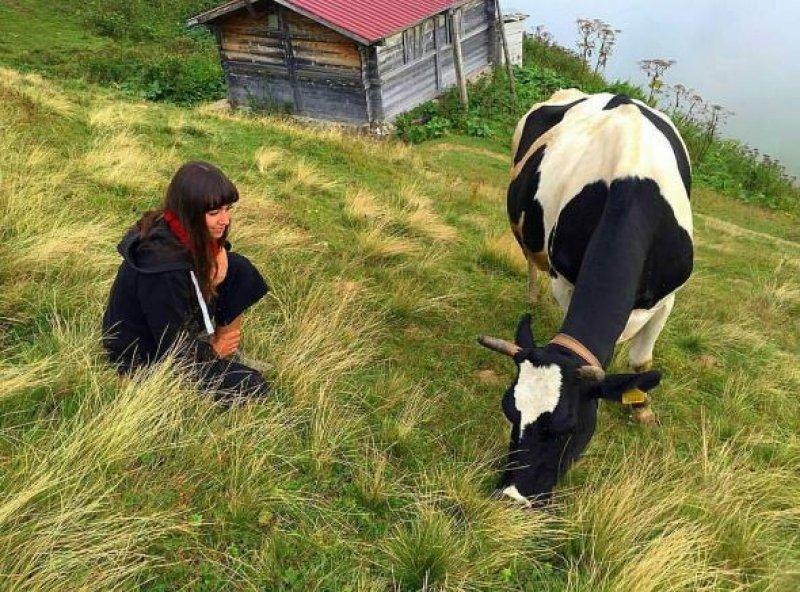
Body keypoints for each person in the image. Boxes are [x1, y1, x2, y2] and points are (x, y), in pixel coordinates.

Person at [102, 161, 270, 402]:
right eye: (214, 213)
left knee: (238, 268)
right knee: (253, 386)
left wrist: (219, 252)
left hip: (166, 333)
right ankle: (217, 352)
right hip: (141, 353)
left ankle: (224, 352)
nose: (225, 220)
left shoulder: (173, 223)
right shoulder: (163, 270)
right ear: (189, 212)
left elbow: (196, 256)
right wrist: (211, 352)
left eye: (227, 209)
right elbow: (174, 347)